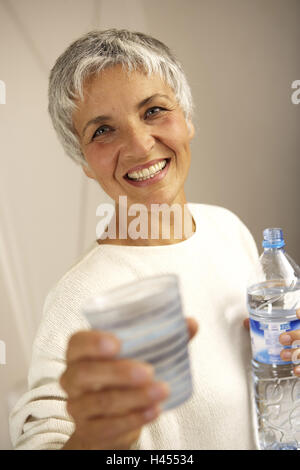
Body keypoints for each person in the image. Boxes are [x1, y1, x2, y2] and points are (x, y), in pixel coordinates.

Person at [9, 29, 300, 450]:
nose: (140, 146)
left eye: (154, 111)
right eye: (103, 130)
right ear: (85, 162)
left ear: (187, 119)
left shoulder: (227, 228)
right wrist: (97, 438)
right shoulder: (78, 299)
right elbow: (43, 440)